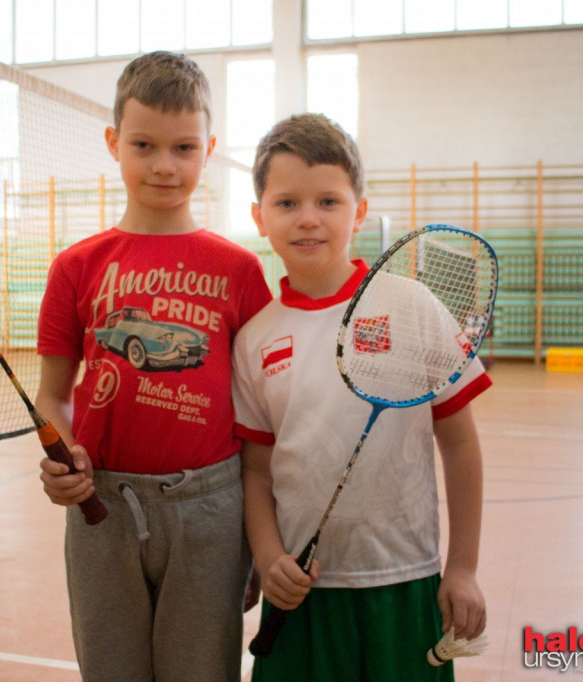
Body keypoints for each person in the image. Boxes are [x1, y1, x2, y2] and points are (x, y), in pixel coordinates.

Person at [34, 51, 272, 682]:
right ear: (114, 143)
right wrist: (62, 453)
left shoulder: (240, 271)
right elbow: (53, 397)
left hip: (213, 513)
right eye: (144, 145)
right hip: (102, 507)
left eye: (184, 148)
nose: (164, 166)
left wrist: (261, 535)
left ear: (208, 150)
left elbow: (262, 418)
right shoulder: (75, 267)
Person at [232, 113, 490, 681]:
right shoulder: (254, 338)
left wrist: (463, 568)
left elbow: (461, 443)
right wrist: (270, 556)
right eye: (286, 203)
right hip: (302, 590)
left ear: (360, 211)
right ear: (259, 216)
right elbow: (256, 469)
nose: (308, 219)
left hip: (406, 580)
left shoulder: (412, 305)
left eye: (328, 201)